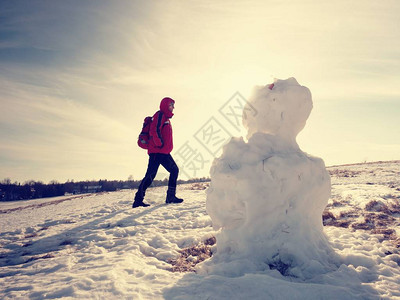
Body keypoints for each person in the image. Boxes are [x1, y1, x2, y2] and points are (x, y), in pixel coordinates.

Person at [132, 97, 184, 208]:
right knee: (154, 174)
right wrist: (159, 143)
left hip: (162, 151)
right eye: (171, 105)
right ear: (166, 105)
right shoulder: (160, 115)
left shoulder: (165, 118)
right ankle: (139, 200)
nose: (173, 107)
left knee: (162, 172)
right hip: (158, 151)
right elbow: (154, 130)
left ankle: (169, 197)